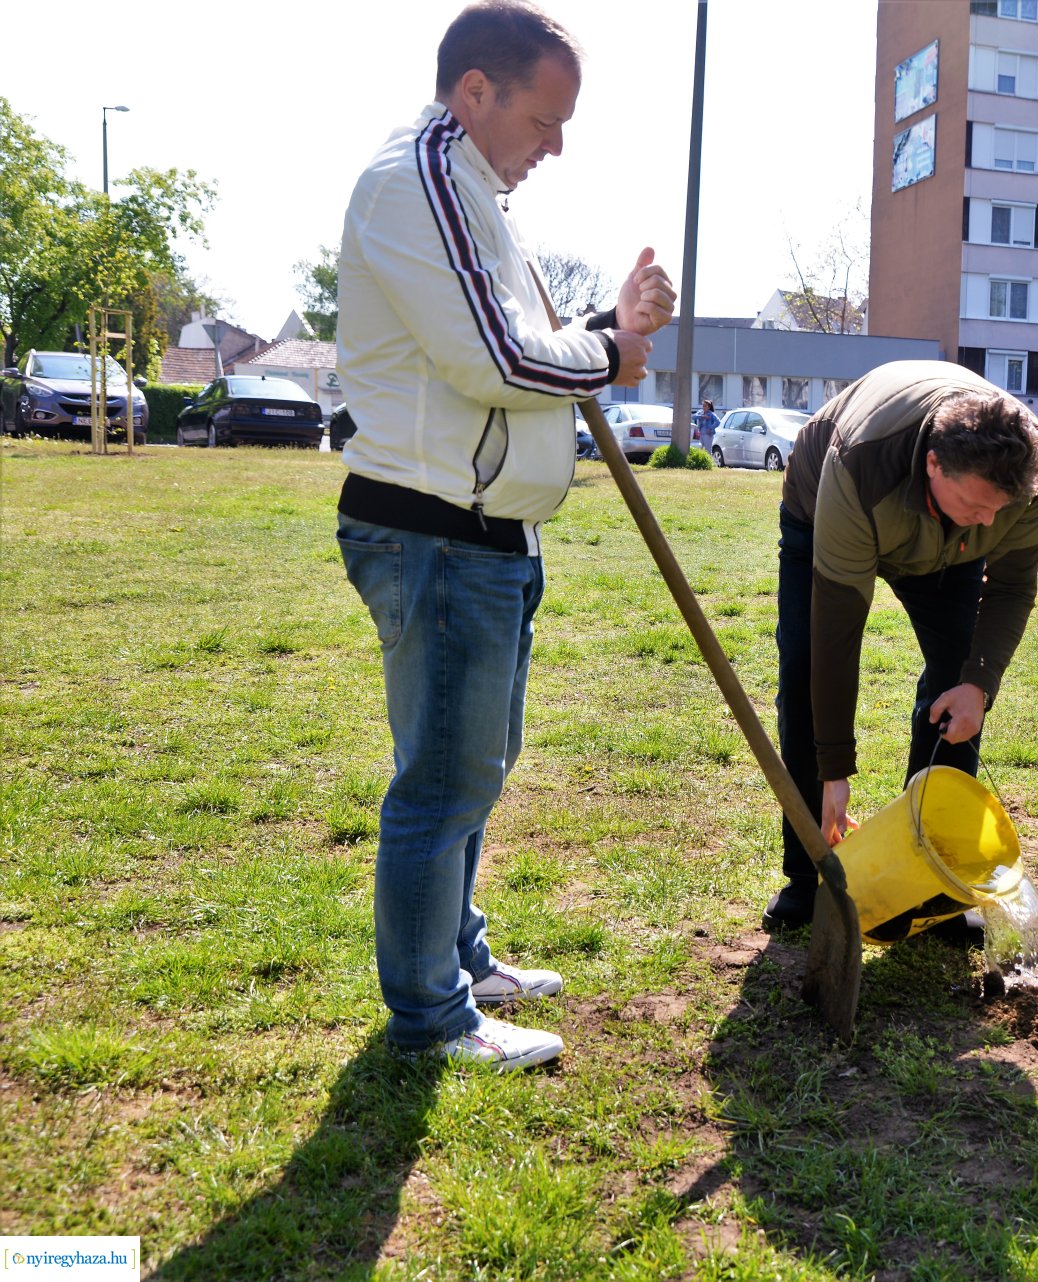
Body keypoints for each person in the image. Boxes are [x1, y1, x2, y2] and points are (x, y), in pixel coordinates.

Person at [334, 0, 675, 1071]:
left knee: (472, 767)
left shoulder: (475, 191)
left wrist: (604, 332)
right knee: (442, 778)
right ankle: (433, 1016)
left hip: (487, 534)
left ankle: (461, 958)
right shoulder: (417, 184)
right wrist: (609, 349)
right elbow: (497, 362)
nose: (555, 146)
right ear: (474, 91)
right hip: (436, 533)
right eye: (543, 119)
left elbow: (523, 341)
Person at [764, 361, 1038, 933]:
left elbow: (1014, 585)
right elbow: (836, 637)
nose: (990, 519)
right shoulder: (860, 466)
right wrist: (835, 769)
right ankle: (806, 875)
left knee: (955, 680)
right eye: (978, 505)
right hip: (825, 506)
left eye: (1000, 510)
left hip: (949, 552)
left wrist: (978, 684)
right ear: (933, 464)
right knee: (803, 676)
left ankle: (932, 882)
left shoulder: (1027, 470)